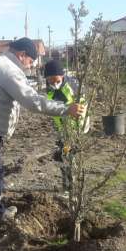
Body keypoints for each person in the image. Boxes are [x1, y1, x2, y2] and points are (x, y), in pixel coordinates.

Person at [0, 38, 85, 251]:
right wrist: (66, 109)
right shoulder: (8, 70)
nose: (29, 66)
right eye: (30, 61)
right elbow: (32, 101)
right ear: (22, 55)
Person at [44, 60, 77, 191]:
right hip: (60, 129)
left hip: (73, 130)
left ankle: (72, 186)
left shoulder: (72, 87)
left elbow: (81, 107)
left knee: (69, 156)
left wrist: (75, 130)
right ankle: (67, 184)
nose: (53, 83)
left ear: (62, 76)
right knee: (61, 156)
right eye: (50, 80)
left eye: (56, 80)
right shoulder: (50, 89)